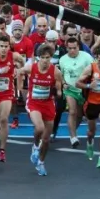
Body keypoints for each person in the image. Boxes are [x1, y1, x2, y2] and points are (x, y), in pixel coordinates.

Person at [17, 45, 63, 176]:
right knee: (39, 127)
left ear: (51, 58)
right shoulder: (31, 68)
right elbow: (18, 72)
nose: (45, 60)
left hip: (48, 104)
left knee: (47, 140)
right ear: (38, 58)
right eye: (42, 58)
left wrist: (58, 92)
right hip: (34, 103)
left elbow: (59, 88)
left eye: (47, 58)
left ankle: (41, 163)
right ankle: (36, 146)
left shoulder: (56, 72)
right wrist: (20, 88)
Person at [0, 35, 25, 163]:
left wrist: (19, 69)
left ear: (9, 47)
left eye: (6, 46)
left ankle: (2, 151)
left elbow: (24, 63)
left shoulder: (14, 56)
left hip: (7, 92)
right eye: (1, 46)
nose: (3, 49)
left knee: (4, 119)